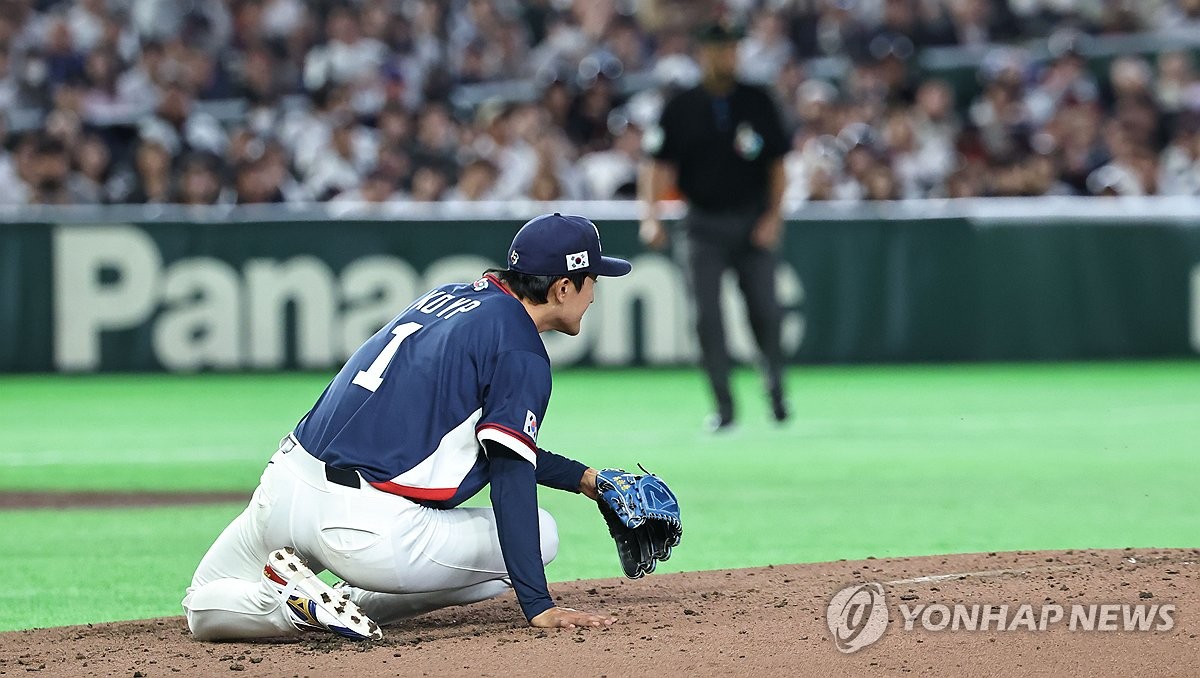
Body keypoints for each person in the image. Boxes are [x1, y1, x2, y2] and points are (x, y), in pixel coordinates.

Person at [183, 213, 631, 641]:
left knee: (202, 604)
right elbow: (508, 470)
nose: (594, 294)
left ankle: (302, 602)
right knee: (542, 533)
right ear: (563, 287)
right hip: (363, 529)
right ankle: (324, 603)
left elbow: (484, 440)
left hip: (284, 486)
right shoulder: (521, 350)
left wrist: (583, 479)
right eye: (593, 280)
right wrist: (538, 604)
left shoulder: (447, 298)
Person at [638, 21, 790, 432]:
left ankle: (776, 387)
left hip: (751, 218)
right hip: (701, 222)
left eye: (732, 49)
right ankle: (724, 406)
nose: (727, 57)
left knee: (766, 310)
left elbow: (778, 165)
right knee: (706, 317)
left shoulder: (758, 101)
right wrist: (650, 216)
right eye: (719, 49)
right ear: (703, 53)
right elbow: (656, 165)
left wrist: (773, 216)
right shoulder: (681, 106)